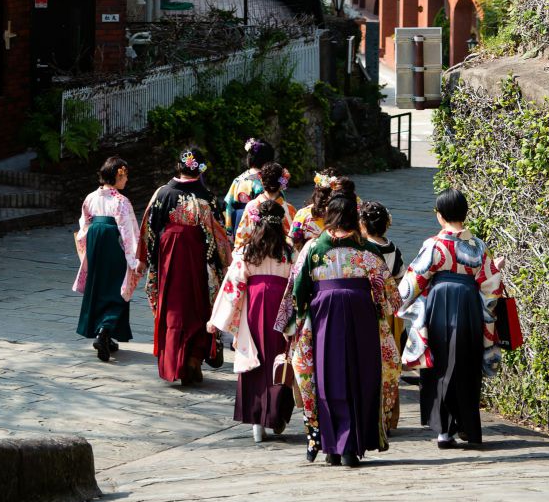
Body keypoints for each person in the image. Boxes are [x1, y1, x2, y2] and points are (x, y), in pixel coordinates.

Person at [281, 193, 401, 467]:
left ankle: (330, 446)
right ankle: (352, 445)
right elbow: (389, 294)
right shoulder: (368, 251)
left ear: (329, 217)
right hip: (362, 316)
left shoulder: (313, 249)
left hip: (323, 314)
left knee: (325, 377)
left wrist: (293, 324)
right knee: (361, 377)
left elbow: (296, 291)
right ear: (354, 218)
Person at [398, 188, 503, 450]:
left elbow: (413, 282)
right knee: (466, 364)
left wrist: (401, 302)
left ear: (439, 216)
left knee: (440, 365)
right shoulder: (478, 246)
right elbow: (491, 286)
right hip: (469, 305)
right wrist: (487, 317)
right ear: (464, 214)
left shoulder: (434, 245)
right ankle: (467, 425)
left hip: (439, 305)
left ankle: (444, 431)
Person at [138, 147, 232, 385]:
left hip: (169, 255)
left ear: (178, 167)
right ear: (199, 170)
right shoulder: (207, 197)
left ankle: (175, 360)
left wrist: (146, 258)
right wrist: (222, 264)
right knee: (198, 304)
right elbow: (220, 235)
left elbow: (149, 228)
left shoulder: (162, 194)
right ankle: (193, 357)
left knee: (172, 305)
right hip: (198, 256)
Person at [208, 199, 295, 443]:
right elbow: (297, 281)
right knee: (280, 358)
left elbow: (233, 284)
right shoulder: (289, 250)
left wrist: (219, 318)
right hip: (282, 303)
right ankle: (277, 413)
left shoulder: (248, 250)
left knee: (255, 358)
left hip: (255, 305)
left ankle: (257, 420)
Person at [73, 155, 142, 362]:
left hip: (95, 243)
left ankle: (103, 333)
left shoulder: (90, 197)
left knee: (99, 287)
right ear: (118, 176)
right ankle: (105, 330)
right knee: (117, 288)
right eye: (125, 176)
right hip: (113, 244)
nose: (127, 181)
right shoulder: (121, 201)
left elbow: (84, 225)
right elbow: (128, 231)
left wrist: (86, 249)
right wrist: (135, 259)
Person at [359, 199, 404, 433]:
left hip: (368, 308)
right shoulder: (393, 248)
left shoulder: (363, 249)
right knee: (389, 362)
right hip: (390, 312)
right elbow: (398, 278)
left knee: (368, 360)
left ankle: (369, 412)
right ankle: (389, 415)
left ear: (363, 224)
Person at [233, 162, 297, 249]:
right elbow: (296, 240)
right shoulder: (290, 210)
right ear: (282, 183)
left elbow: (241, 239)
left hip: (256, 256)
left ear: (261, 181)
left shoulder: (251, 207)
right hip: (282, 257)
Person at [224, 137, 274, 239]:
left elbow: (228, 205)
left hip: (238, 221)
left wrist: (229, 230)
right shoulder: (266, 181)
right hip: (260, 225)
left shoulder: (238, 180)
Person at [289, 171, 340, 251]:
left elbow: (294, 238)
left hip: (308, 255)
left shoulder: (302, 213)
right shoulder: (338, 215)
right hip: (333, 257)